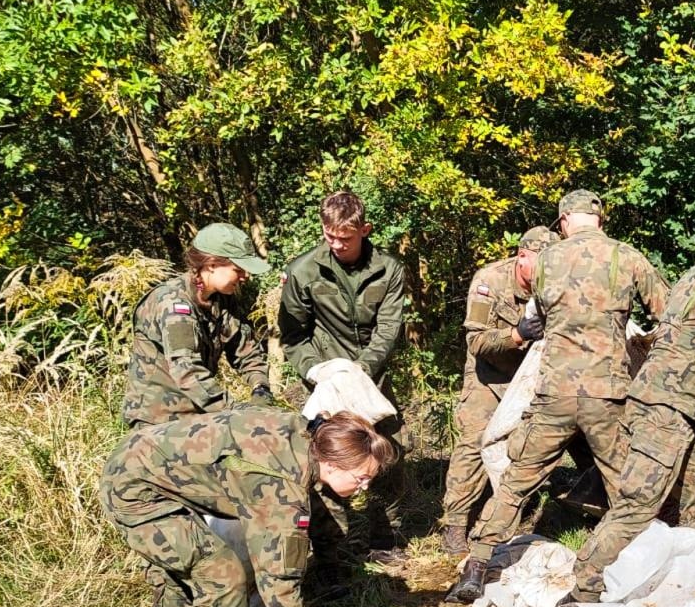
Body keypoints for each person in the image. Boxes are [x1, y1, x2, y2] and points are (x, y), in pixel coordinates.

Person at [447, 190, 668, 603]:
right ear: (600, 220)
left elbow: (537, 321)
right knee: (624, 487)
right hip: (608, 394)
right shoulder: (628, 257)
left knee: (517, 482)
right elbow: (666, 311)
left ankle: (476, 565)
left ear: (564, 221)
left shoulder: (546, 261)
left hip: (554, 394)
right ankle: (629, 566)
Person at [100, 409, 398, 607]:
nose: (365, 487)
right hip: (135, 491)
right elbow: (279, 578)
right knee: (221, 574)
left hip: (140, 459)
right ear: (332, 464)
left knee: (185, 560)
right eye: (360, 478)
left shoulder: (304, 436)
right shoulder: (280, 487)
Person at [563, 217, 695, 603]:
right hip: (670, 407)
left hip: (682, 408)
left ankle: (690, 580)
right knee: (640, 503)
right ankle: (585, 580)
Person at [278, 192, 410, 569]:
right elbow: (293, 334)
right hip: (324, 378)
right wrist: (316, 370)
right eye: (329, 235)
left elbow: (388, 329)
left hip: (371, 376)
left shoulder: (388, 270)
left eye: (345, 238)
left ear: (364, 230)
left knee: (386, 453)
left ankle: (384, 538)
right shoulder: (303, 270)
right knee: (328, 460)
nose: (336, 244)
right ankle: (330, 550)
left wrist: (361, 371)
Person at [440, 226, 556, 553]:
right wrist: (517, 334)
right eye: (540, 265)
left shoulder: (557, 283)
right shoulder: (490, 282)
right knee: (474, 443)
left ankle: (517, 518)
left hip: (532, 377)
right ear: (522, 257)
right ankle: (456, 524)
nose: (546, 273)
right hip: (488, 376)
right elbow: (476, 341)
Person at [122, 222, 272, 428]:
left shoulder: (222, 300)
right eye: (238, 269)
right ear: (211, 265)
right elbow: (187, 370)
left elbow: (246, 352)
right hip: (159, 421)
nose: (246, 276)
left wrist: (260, 389)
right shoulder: (173, 304)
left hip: (201, 413)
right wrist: (237, 411)